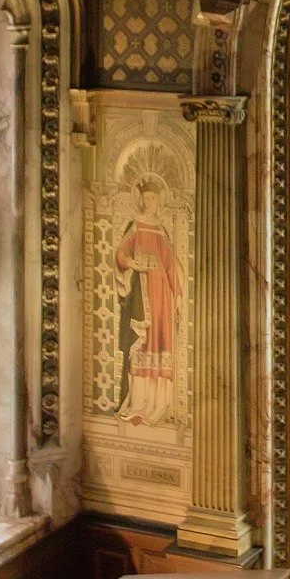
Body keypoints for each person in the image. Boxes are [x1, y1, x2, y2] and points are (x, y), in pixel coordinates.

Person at [114, 177, 183, 425]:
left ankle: (159, 404)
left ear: (159, 201)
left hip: (161, 295)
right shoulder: (135, 226)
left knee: (161, 343)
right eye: (146, 198)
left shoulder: (161, 230)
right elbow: (121, 252)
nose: (149, 202)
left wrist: (178, 294)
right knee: (141, 345)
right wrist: (130, 262)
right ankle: (138, 404)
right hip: (141, 295)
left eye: (153, 198)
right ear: (141, 200)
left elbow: (170, 265)